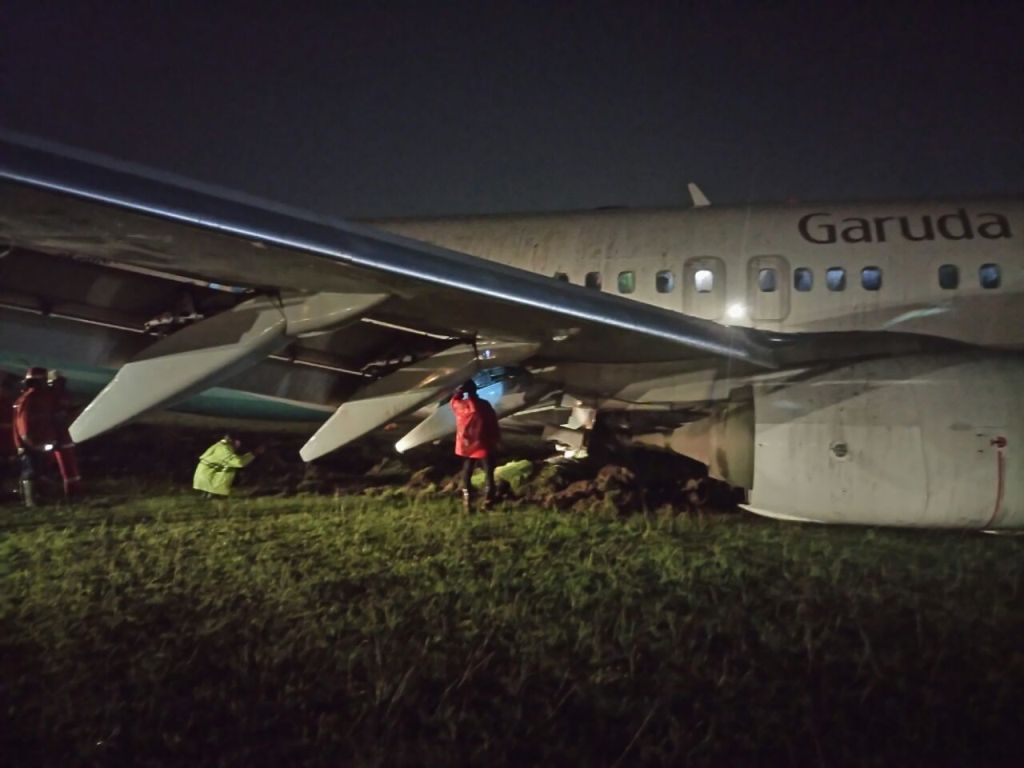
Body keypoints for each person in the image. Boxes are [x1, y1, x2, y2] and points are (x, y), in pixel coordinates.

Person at [11, 367, 60, 507]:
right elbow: (23, 424)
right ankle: (31, 501)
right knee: (31, 471)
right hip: (31, 442)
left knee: (39, 469)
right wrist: (30, 442)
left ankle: (37, 497)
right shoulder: (30, 399)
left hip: (37, 440)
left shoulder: (37, 397)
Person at [450, 379, 501, 511]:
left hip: (467, 445)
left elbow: (454, 400)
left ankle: (467, 502)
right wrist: (496, 439)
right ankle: (488, 502)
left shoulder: (459, 406)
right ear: (475, 389)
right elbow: (492, 422)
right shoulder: (484, 405)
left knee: (467, 471)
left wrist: (458, 392)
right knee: (489, 472)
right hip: (484, 443)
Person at [48, 372, 81, 499]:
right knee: (64, 467)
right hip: (56, 436)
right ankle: (69, 492)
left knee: (69, 467)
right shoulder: (52, 397)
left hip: (61, 436)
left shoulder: (59, 395)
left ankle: (72, 491)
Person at [193, 433, 259, 498]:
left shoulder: (221, 446)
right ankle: (209, 495)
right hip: (210, 478)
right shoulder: (224, 449)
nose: (239, 445)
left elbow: (233, 459)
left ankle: (208, 495)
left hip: (207, 477)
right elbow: (239, 463)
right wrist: (255, 453)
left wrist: (252, 454)